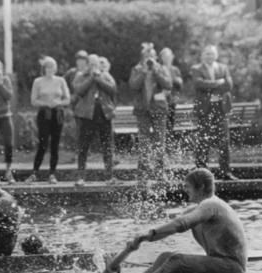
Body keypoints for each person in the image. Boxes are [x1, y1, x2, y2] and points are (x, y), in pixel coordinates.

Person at [126, 168, 247, 273]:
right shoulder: (200, 209)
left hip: (232, 269)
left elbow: (181, 224)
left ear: (201, 187)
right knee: (165, 257)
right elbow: (170, 228)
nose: (185, 190)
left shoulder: (212, 205)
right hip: (219, 264)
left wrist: (151, 232)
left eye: (188, 186)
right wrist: (143, 238)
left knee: (177, 261)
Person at [128, 42, 173, 181]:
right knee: (144, 141)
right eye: (147, 56)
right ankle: (143, 171)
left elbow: (168, 84)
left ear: (156, 57)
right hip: (142, 110)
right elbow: (133, 86)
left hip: (158, 108)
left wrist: (156, 71)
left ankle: (160, 171)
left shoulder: (161, 68)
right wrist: (143, 72)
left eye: (152, 56)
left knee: (160, 140)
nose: (149, 59)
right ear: (142, 57)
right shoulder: (137, 69)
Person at [191, 44, 236, 179]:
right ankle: (202, 172)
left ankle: (225, 172)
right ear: (202, 55)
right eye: (207, 54)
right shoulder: (196, 69)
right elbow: (199, 84)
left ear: (216, 55)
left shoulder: (223, 68)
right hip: (205, 110)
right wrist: (217, 83)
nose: (209, 56)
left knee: (224, 141)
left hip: (220, 109)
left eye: (212, 54)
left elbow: (229, 85)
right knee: (203, 141)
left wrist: (211, 85)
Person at [73, 53, 118, 186]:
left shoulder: (105, 75)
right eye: (91, 64)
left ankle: (109, 176)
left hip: (104, 113)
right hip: (87, 115)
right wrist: (91, 78)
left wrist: (98, 79)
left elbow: (113, 90)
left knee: (107, 145)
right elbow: (79, 91)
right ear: (87, 65)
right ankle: (81, 177)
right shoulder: (80, 76)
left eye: (96, 64)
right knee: (83, 146)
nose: (94, 66)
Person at [28, 56, 70, 184]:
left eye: (52, 66)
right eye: (48, 67)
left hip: (57, 113)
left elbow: (67, 99)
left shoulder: (61, 80)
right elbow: (33, 100)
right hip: (44, 113)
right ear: (44, 68)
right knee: (43, 143)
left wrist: (57, 102)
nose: (50, 69)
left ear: (55, 68)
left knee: (55, 144)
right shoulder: (38, 81)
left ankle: (52, 173)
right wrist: (45, 103)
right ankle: (35, 172)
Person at [160, 47, 184, 137]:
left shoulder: (175, 70)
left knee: (170, 125)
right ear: (161, 58)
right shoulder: (159, 69)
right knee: (161, 126)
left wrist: (175, 80)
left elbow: (180, 86)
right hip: (161, 101)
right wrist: (173, 80)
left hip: (172, 102)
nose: (167, 58)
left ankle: (169, 147)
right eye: (164, 56)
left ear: (172, 57)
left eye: (168, 56)